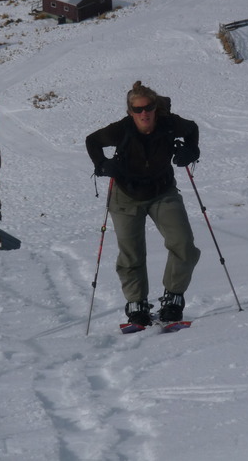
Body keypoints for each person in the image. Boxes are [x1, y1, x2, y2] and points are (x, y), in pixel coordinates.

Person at [86, 81, 201, 326]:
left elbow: (192, 130)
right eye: (137, 110)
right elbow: (92, 141)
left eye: (148, 107)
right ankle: (136, 304)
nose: (144, 113)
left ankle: (173, 298)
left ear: (155, 107)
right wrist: (103, 165)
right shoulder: (122, 129)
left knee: (184, 245)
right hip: (126, 195)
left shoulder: (170, 124)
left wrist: (192, 151)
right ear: (130, 112)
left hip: (162, 191)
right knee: (131, 254)